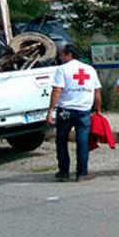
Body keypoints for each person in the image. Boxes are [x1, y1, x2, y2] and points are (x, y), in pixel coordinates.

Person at [47, 45, 101, 182]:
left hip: (65, 110)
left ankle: (64, 172)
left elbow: (57, 90)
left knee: (61, 140)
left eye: (62, 55)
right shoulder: (90, 70)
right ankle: (82, 173)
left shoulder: (62, 69)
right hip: (83, 110)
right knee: (82, 141)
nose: (61, 58)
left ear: (69, 54)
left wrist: (51, 110)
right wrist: (98, 109)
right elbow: (97, 92)